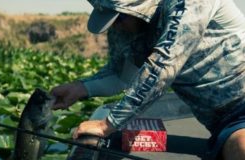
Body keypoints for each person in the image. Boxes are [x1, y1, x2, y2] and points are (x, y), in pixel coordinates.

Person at [51, 0, 245, 159]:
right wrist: (80, 87)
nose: (116, 27)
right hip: (228, 121)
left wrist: (107, 125)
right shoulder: (127, 26)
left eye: (119, 18)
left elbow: (163, 67)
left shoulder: (190, 4)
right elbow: (121, 77)